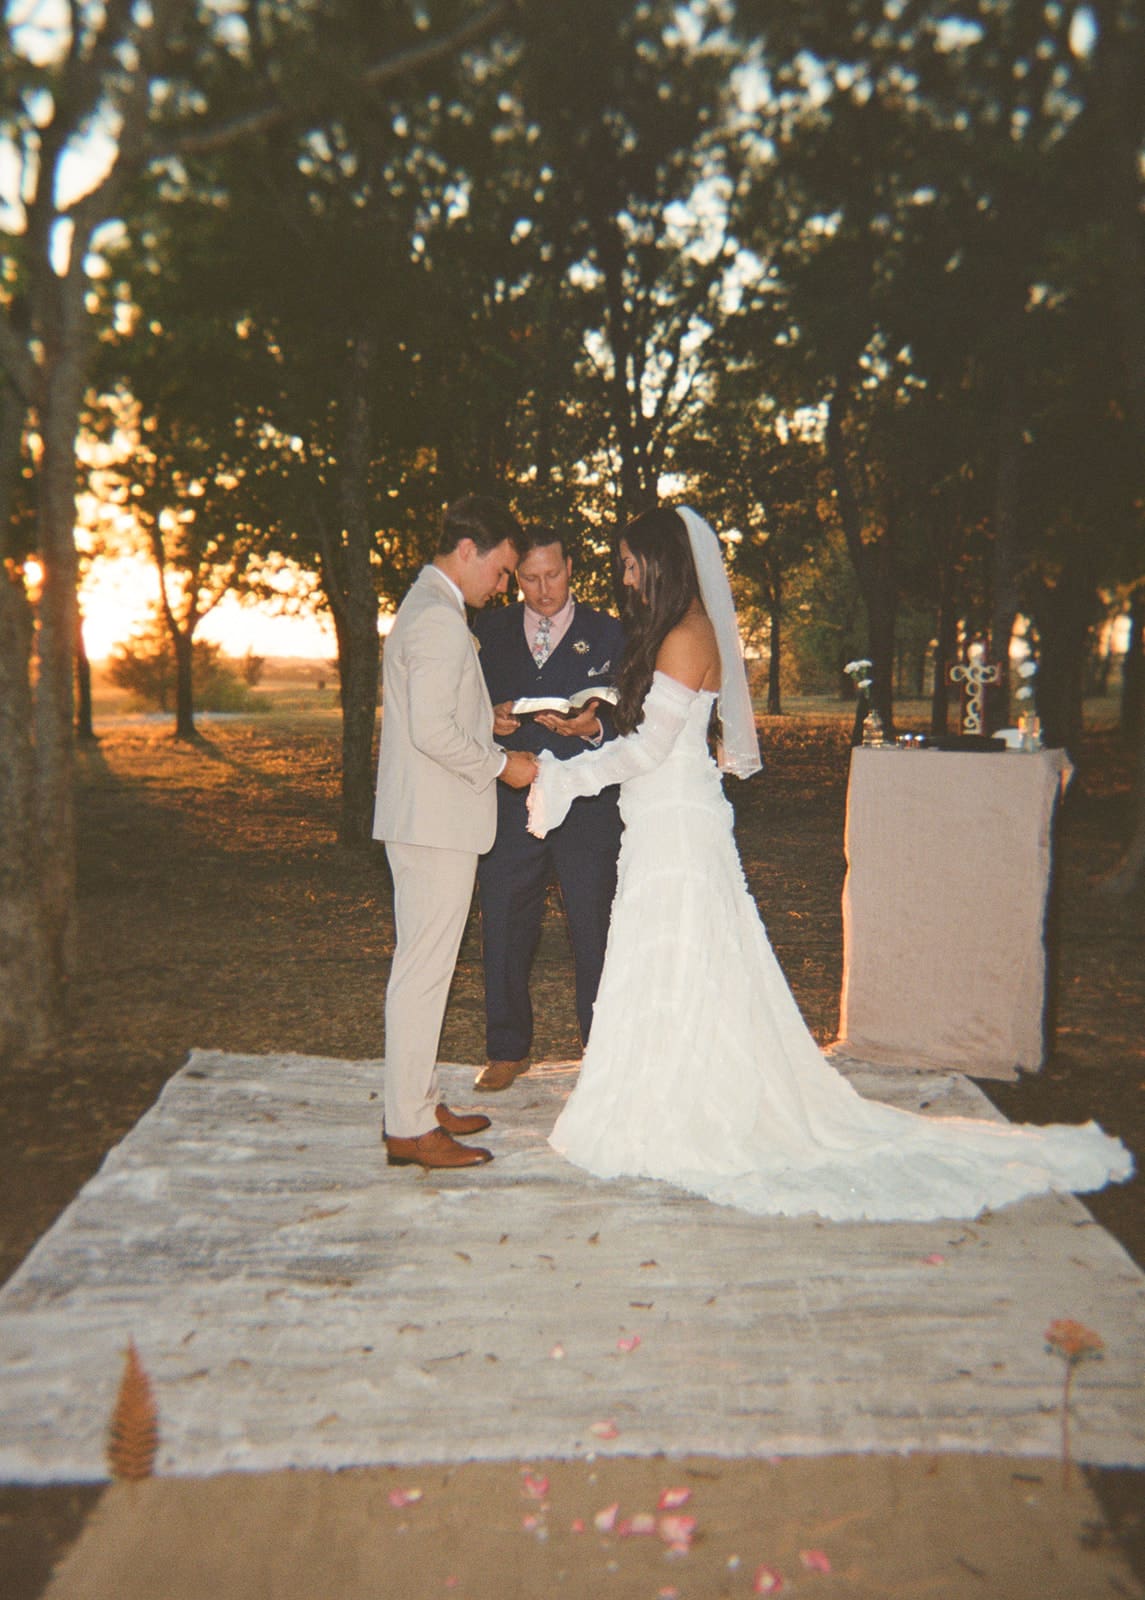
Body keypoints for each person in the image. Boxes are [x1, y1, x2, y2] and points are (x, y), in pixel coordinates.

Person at [526, 505, 1132, 1221]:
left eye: (631, 563)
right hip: (658, 819)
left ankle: (687, 1101)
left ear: (663, 562)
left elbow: (650, 750)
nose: (623, 577)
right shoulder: (672, 632)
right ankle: (667, 1085)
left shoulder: (686, 634)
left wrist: (561, 775)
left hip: (676, 825)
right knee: (674, 959)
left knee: (686, 956)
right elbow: (648, 732)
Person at [373, 495, 537, 1171]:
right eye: (500, 570)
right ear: (468, 550)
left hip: (426, 817)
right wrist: (503, 764)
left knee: (426, 966)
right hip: (435, 822)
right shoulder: (439, 620)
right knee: (422, 971)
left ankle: (417, 1100)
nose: (502, 586)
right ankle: (408, 1127)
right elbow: (429, 731)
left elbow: (438, 716)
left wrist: (482, 721)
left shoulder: (429, 607)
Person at [471, 525, 625, 1091]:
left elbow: (633, 712)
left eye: (553, 575)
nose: (542, 590)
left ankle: (601, 1048)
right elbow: (461, 699)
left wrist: (595, 727)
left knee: (594, 923)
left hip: (587, 801)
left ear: (571, 569)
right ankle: (507, 1048)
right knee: (506, 920)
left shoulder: (609, 631)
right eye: (530, 579)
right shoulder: (488, 629)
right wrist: (488, 716)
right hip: (513, 796)